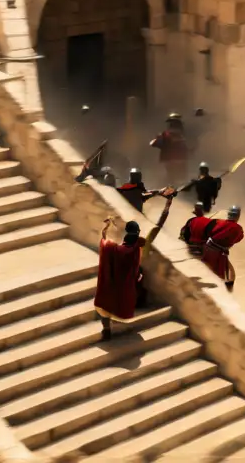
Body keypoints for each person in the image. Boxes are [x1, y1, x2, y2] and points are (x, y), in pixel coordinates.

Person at [93, 189, 175, 340]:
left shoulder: (116, 249)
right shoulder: (142, 245)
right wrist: (168, 205)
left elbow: (104, 243)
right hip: (131, 282)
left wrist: (106, 228)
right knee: (133, 293)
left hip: (114, 282)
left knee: (104, 304)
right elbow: (158, 225)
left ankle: (106, 328)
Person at [200, 205, 245, 292]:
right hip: (218, 253)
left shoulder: (218, 222)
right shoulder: (238, 228)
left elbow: (208, 231)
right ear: (237, 216)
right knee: (227, 274)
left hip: (206, 249)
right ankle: (227, 291)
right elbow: (239, 238)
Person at [149, 113, 189, 186]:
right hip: (181, 160)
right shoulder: (184, 135)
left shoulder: (165, 135)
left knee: (168, 178)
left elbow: (153, 143)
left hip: (168, 160)